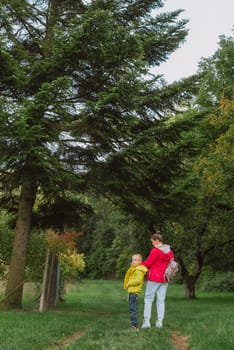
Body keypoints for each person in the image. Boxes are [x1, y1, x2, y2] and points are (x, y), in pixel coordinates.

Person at [141, 231, 174, 329]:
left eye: (152, 241)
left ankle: (146, 322)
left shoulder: (155, 250)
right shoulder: (170, 251)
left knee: (148, 299)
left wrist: (137, 265)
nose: (152, 243)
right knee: (161, 300)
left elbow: (148, 263)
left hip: (154, 277)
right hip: (164, 278)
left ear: (157, 241)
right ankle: (159, 322)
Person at [123, 254, 148, 330]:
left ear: (140, 261)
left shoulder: (139, 270)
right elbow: (129, 274)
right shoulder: (135, 268)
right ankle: (134, 325)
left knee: (133, 309)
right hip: (132, 291)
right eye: (133, 260)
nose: (133, 261)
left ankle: (135, 326)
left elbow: (138, 280)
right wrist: (132, 266)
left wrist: (129, 283)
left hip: (134, 292)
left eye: (135, 260)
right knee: (132, 308)